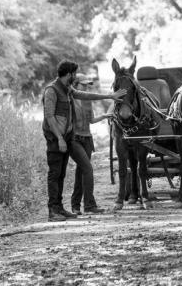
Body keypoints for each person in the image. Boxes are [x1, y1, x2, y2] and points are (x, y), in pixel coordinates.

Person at [43, 60, 126, 222]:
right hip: (56, 138)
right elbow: (49, 116)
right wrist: (59, 138)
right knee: (54, 174)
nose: (75, 77)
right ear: (69, 74)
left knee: (61, 174)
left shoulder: (67, 90)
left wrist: (110, 95)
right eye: (74, 74)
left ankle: (59, 208)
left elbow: (86, 95)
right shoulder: (51, 91)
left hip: (66, 138)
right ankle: (53, 211)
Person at [70, 74, 114, 215]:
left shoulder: (87, 101)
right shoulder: (70, 99)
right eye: (83, 85)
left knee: (81, 171)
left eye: (87, 85)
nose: (86, 87)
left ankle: (76, 205)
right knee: (87, 169)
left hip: (87, 139)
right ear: (75, 85)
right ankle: (89, 205)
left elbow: (91, 120)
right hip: (75, 139)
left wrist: (104, 116)